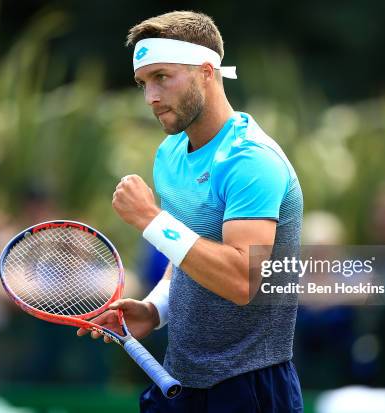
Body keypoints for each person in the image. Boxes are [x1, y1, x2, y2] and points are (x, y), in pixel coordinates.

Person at [77, 11, 304, 412]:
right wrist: (155, 310)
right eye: (143, 83)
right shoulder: (169, 155)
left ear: (205, 72)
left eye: (162, 77)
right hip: (179, 381)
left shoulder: (251, 160)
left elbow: (241, 279)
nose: (151, 97)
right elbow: (186, 258)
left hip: (250, 388)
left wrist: (151, 219)